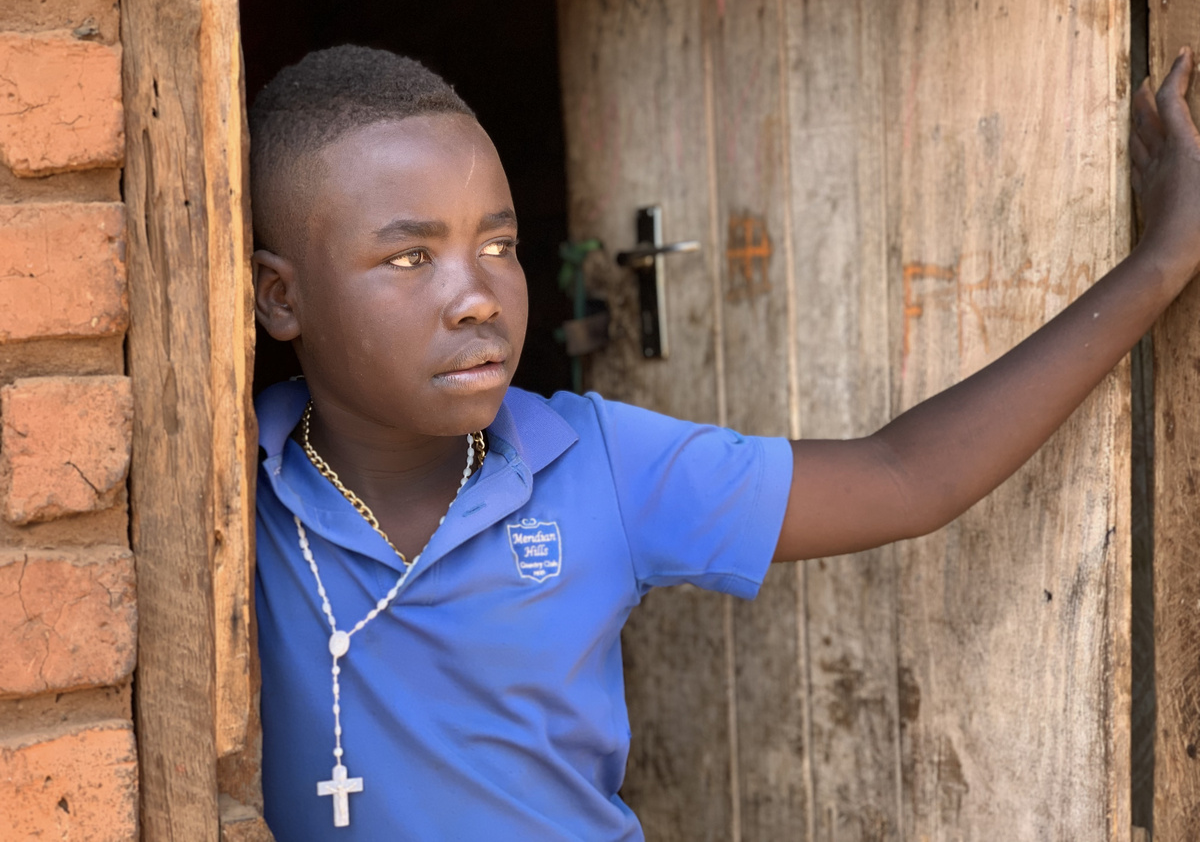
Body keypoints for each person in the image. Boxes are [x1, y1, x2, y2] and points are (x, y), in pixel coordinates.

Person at [249, 44, 1200, 840]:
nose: (477, 296)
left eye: (498, 245)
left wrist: (1163, 262)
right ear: (280, 297)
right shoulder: (232, 491)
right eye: (411, 257)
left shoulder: (595, 468)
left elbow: (907, 475)